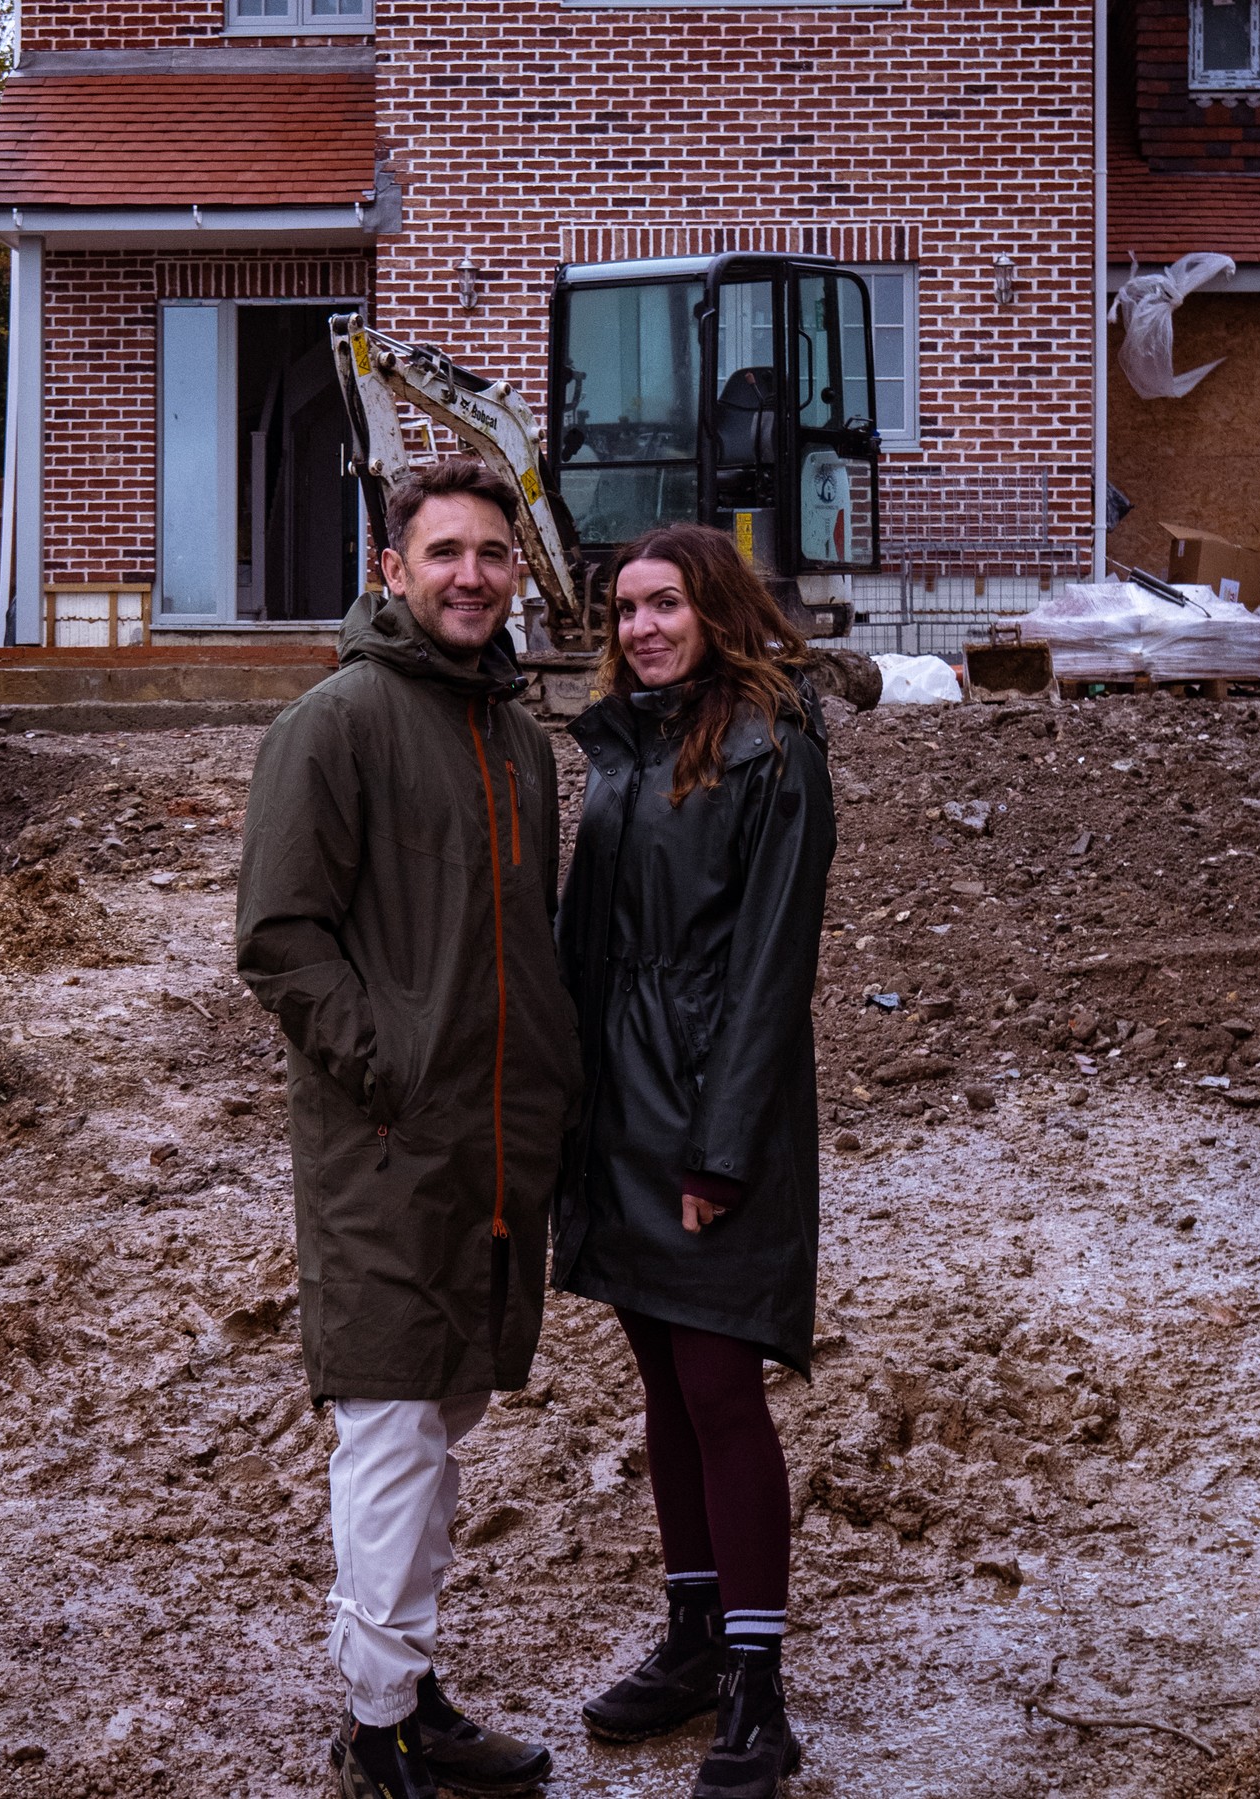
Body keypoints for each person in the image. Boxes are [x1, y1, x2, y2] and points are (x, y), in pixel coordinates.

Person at [237, 460, 583, 1799]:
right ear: (392, 569)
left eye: (492, 554)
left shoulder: (513, 736)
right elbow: (279, 939)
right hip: (386, 1146)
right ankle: (377, 1724)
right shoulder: (337, 722)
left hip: (493, 1149)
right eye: (443, 552)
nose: (470, 576)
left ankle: (409, 1685)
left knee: (443, 1413)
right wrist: (392, 1065)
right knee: (389, 1431)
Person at [554, 523, 836, 1799]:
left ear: (715, 608)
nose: (641, 627)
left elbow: (773, 965)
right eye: (623, 608)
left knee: (722, 1391)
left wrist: (718, 1153)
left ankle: (758, 1692)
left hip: (715, 1112)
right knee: (663, 1387)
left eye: (664, 603)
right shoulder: (626, 744)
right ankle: (690, 1638)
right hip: (620, 1109)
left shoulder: (773, 749)